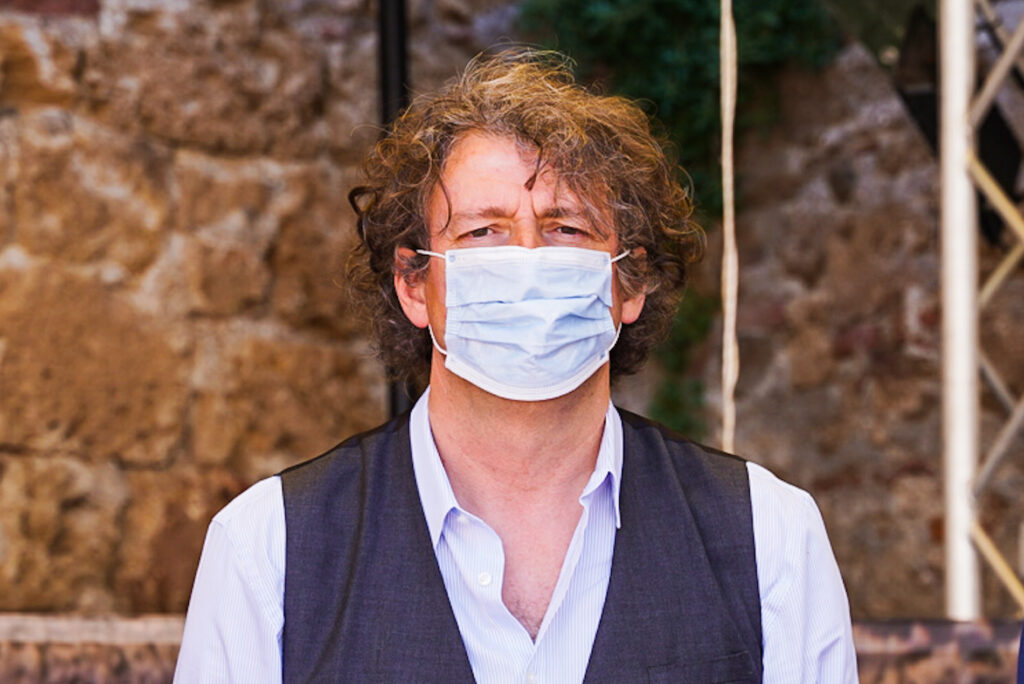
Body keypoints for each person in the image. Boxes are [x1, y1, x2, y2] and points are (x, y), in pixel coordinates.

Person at [174, 48, 857, 683]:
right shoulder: (268, 551)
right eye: (484, 231)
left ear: (630, 284)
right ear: (413, 284)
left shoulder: (769, 538)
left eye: (567, 228)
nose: (528, 259)